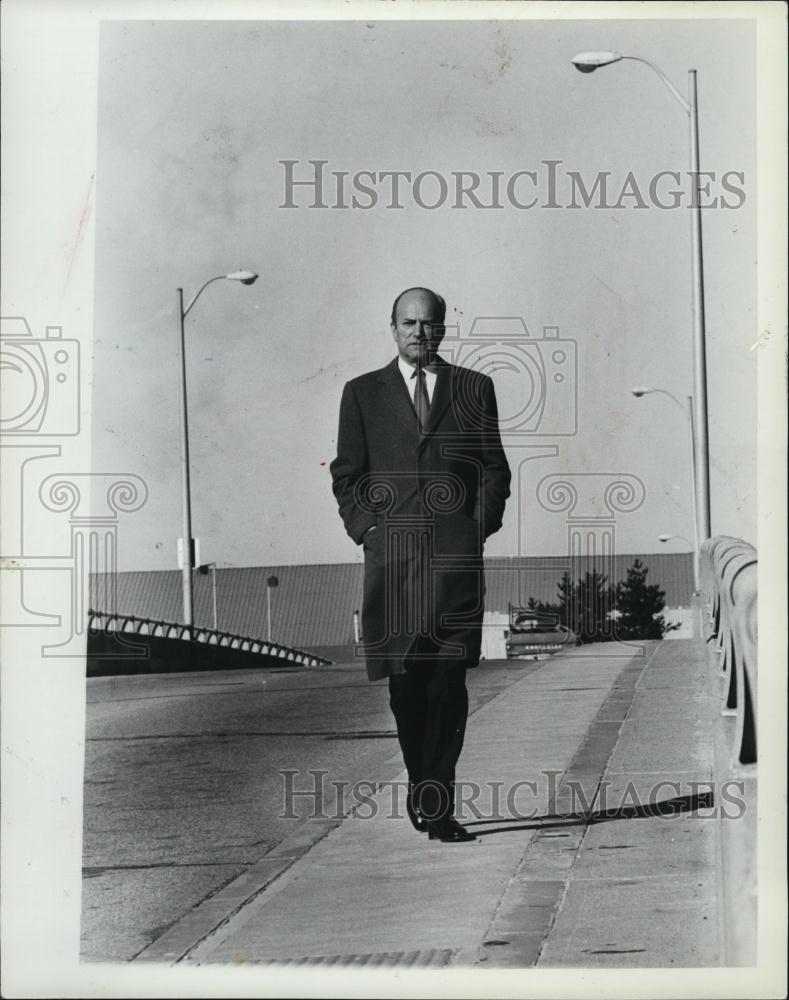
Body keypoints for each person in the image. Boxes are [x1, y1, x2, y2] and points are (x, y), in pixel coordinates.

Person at [330, 287, 511, 843]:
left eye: (428, 324)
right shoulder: (362, 394)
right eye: (408, 323)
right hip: (394, 568)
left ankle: (439, 804)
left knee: (448, 687)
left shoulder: (474, 389)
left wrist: (473, 528)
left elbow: (494, 470)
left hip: (455, 568)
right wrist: (369, 530)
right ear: (392, 328)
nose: (418, 333)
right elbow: (346, 474)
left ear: (443, 329)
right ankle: (421, 787)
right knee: (407, 689)